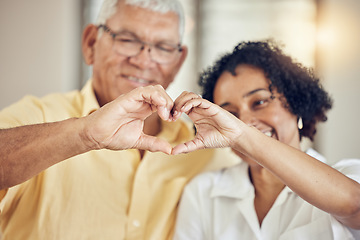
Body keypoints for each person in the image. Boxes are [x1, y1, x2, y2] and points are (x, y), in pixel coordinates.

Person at [0, 1, 238, 239]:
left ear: (178, 62)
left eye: (163, 47)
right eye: (127, 40)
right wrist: (85, 134)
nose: (143, 61)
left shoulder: (206, 152)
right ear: (91, 43)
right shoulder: (38, 116)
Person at [171, 40, 360, 239]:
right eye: (230, 114)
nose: (243, 121)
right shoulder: (203, 192)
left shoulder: (347, 176)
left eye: (259, 102)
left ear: (296, 104)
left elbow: (354, 206)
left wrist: (243, 134)